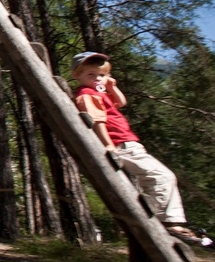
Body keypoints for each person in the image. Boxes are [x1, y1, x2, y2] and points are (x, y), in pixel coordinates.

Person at [70, 51, 211, 246]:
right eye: (90, 75)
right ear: (77, 75)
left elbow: (120, 102)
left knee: (158, 177)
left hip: (128, 143)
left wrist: (112, 87)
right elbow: (98, 122)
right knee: (162, 177)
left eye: (101, 74)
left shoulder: (99, 92)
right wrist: (109, 146)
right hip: (120, 144)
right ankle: (169, 224)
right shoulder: (87, 95)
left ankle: (168, 221)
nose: (97, 78)